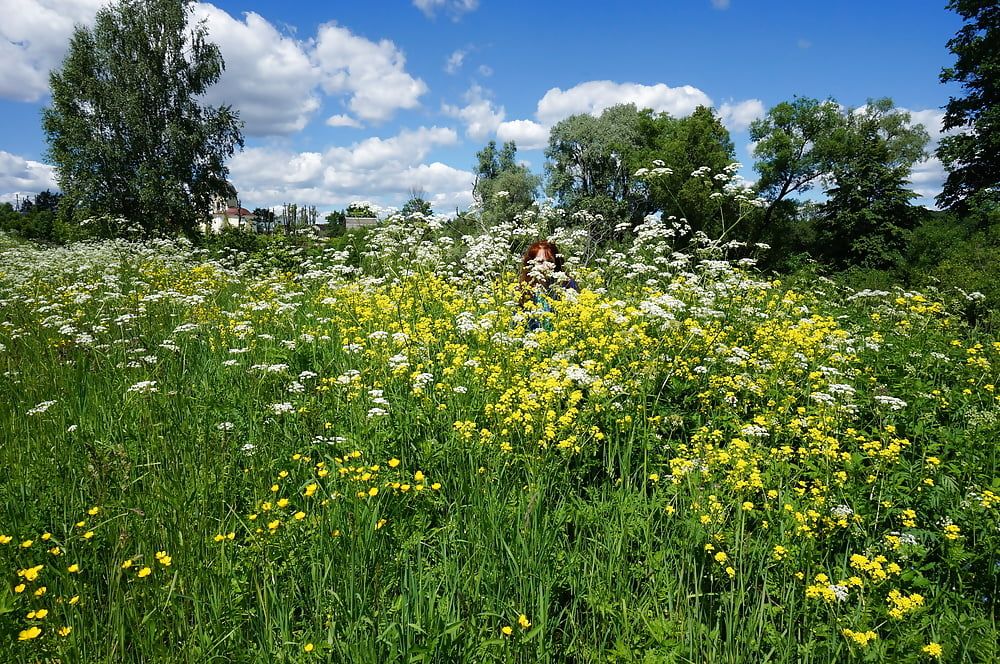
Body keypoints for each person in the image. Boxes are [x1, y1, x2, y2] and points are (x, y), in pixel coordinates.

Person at [517, 240, 577, 331]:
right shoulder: (522, 290)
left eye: (549, 261)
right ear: (531, 264)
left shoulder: (568, 285)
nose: (545, 266)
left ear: (556, 264)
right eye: (540, 262)